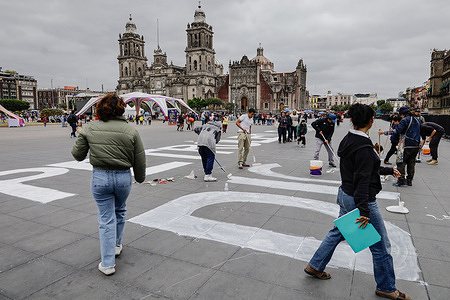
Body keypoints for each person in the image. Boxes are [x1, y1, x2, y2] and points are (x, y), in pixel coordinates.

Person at [305, 103, 411, 300]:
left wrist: (387, 170)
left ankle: (315, 265)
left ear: (352, 120)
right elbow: (362, 179)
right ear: (371, 121)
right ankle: (386, 287)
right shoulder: (363, 146)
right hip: (359, 199)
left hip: (345, 193)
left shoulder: (349, 139)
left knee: (338, 232)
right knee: (380, 245)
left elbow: (361, 169)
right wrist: (365, 211)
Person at [71, 93, 146, 276]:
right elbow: (140, 159)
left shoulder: (91, 127)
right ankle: (117, 245)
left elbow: (77, 155)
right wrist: (140, 177)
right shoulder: (131, 131)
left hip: (101, 177)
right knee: (120, 210)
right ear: (121, 109)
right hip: (123, 178)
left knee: (106, 219)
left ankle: (107, 264)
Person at [379, 106, 421, 186]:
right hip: (415, 145)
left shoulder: (405, 120)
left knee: (401, 162)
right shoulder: (417, 120)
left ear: (402, 114)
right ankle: (409, 180)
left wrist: (385, 132)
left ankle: (401, 180)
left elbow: (397, 131)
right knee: (411, 163)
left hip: (405, 145)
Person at [194, 113, 222, 181]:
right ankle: (208, 175)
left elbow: (196, 129)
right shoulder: (218, 129)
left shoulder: (205, 125)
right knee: (210, 157)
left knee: (204, 158)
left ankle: (206, 172)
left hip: (200, 142)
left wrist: (200, 134)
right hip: (209, 143)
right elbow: (217, 140)